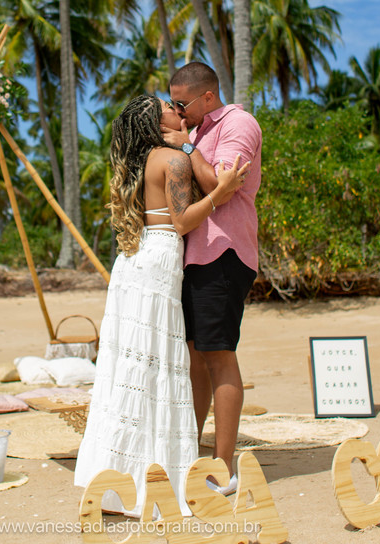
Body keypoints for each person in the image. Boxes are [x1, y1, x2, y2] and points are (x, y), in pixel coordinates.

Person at [74, 95, 250, 517]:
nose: (177, 110)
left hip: (133, 261)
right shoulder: (172, 160)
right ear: (158, 122)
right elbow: (183, 220)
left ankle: (118, 481)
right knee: (155, 365)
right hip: (159, 259)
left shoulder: (139, 160)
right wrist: (221, 192)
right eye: (168, 107)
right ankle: (155, 478)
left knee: (131, 368)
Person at [161, 62, 262, 496]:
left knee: (219, 355)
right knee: (194, 358)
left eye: (182, 104)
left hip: (224, 252)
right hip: (195, 258)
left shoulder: (238, 123)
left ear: (207, 97)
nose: (178, 113)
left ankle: (224, 467)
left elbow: (220, 187)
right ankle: (194, 453)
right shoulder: (198, 131)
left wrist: (187, 149)